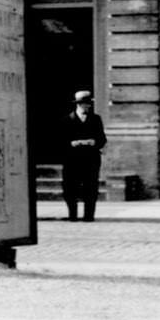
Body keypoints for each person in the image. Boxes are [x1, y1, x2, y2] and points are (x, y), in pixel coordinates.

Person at [61, 89, 107, 221]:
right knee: (70, 188)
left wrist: (94, 142)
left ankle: (89, 215)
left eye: (89, 103)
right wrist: (72, 144)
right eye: (85, 103)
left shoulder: (96, 119)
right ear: (78, 104)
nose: (88, 106)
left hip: (91, 159)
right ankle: (72, 215)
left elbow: (102, 139)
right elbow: (59, 141)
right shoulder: (66, 120)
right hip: (72, 160)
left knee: (91, 188)